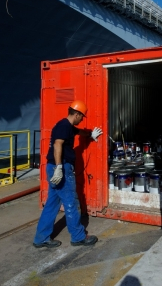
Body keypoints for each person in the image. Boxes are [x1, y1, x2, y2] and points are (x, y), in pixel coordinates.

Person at [33, 100, 103, 248]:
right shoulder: (63, 126)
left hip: (56, 167)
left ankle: (41, 238)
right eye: (82, 117)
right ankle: (78, 237)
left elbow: (80, 132)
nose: (82, 119)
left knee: (52, 204)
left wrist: (91, 135)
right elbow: (58, 145)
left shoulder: (69, 127)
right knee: (71, 202)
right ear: (76, 114)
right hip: (61, 167)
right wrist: (59, 167)